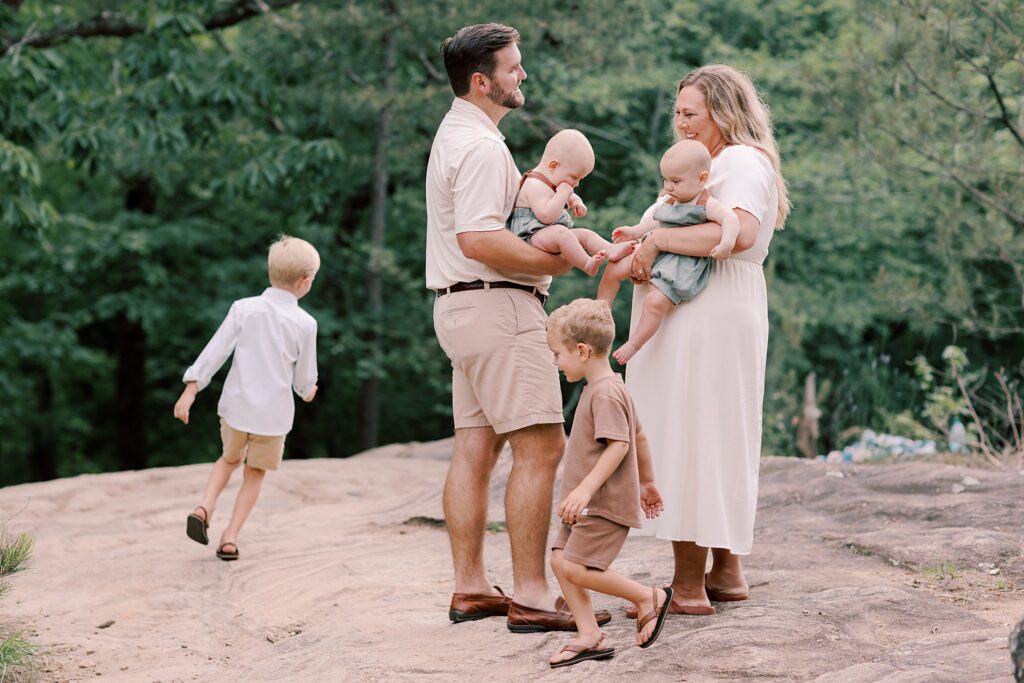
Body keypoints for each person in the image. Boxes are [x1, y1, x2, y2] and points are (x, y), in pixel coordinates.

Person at [425, 23, 609, 632]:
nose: (522, 75)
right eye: (512, 68)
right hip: (496, 306)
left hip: (462, 310)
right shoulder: (480, 147)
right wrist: (556, 261)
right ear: (482, 81)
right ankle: (532, 594)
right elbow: (480, 239)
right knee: (542, 446)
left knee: (475, 448)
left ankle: (471, 587)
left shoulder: (458, 134)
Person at [622, 64, 790, 617]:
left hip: (708, 305)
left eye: (690, 113)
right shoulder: (706, 164)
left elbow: (735, 233)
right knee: (712, 432)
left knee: (687, 434)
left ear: (723, 111)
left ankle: (688, 587)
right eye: (678, 112)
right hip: (710, 304)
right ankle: (727, 572)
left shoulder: (739, 161)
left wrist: (657, 239)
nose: (681, 123)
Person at [173, 235, 320, 562]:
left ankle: (205, 506)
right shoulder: (305, 324)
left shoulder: (244, 309)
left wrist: (192, 387)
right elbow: (304, 378)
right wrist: (308, 390)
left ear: (270, 272)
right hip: (273, 418)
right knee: (254, 473)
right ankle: (230, 537)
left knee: (228, 459)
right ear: (305, 282)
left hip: (236, 409)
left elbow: (216, 350)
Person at [543, 298, 670, 668]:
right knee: (559, 559)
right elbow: (641, 437)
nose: (555, 362)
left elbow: (621, 444)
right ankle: (589, 635)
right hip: (584, 504)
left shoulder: (606, 393)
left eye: (557, 354)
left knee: (577, 567)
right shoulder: (606, 387)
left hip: (600, 502)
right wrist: (647, 482)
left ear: (581, 351)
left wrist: (583, 489)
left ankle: (649, 597)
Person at [597, 139, 740, 364]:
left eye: (675, 180)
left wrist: (727, 243)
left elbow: (730, 219)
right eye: (665, 179)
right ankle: (600, 311)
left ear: (701, 179)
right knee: (614, 267)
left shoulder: (705, 204)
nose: (668, 186)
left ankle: (634, 344)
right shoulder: (669, 199)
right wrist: (633, 231)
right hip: (654, 247)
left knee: (655, 302)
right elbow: (654, 222)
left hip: (680, 260)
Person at [510, 129, 635, 276]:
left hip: (548, 233)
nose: (576, 184)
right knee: (562, 233)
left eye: (580, 179)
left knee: (585, 234)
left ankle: (610, 249)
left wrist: (576, 201)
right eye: (574, 177)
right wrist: (563, 193)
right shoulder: (534, 185)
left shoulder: (555, 182)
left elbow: (569, 195)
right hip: (530, 235)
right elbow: (546, 216)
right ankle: (586, 264)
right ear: (553, 166)